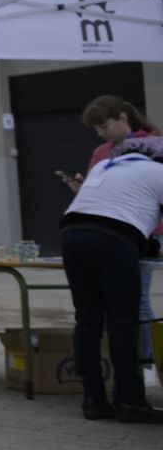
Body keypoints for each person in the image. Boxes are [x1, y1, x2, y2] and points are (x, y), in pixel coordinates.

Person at [60, 136, 163, 422]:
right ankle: (130, 402)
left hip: (72, 235)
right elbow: (123, 220)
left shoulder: (105, 165)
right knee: (122, 321)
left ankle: (93, 400)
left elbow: (114, 209)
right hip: (115, 241)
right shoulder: (158, 172)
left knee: (88, 319)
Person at [77, 96, 160, 381]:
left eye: (104, 126)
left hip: (142, 233)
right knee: (98, 310)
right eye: (96, 130)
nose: (101, 134)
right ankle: (112, 383)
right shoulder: (102, 153)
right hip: (105, 230)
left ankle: (146, 362)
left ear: (123, 117)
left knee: (135, 301)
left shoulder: (154, 146)